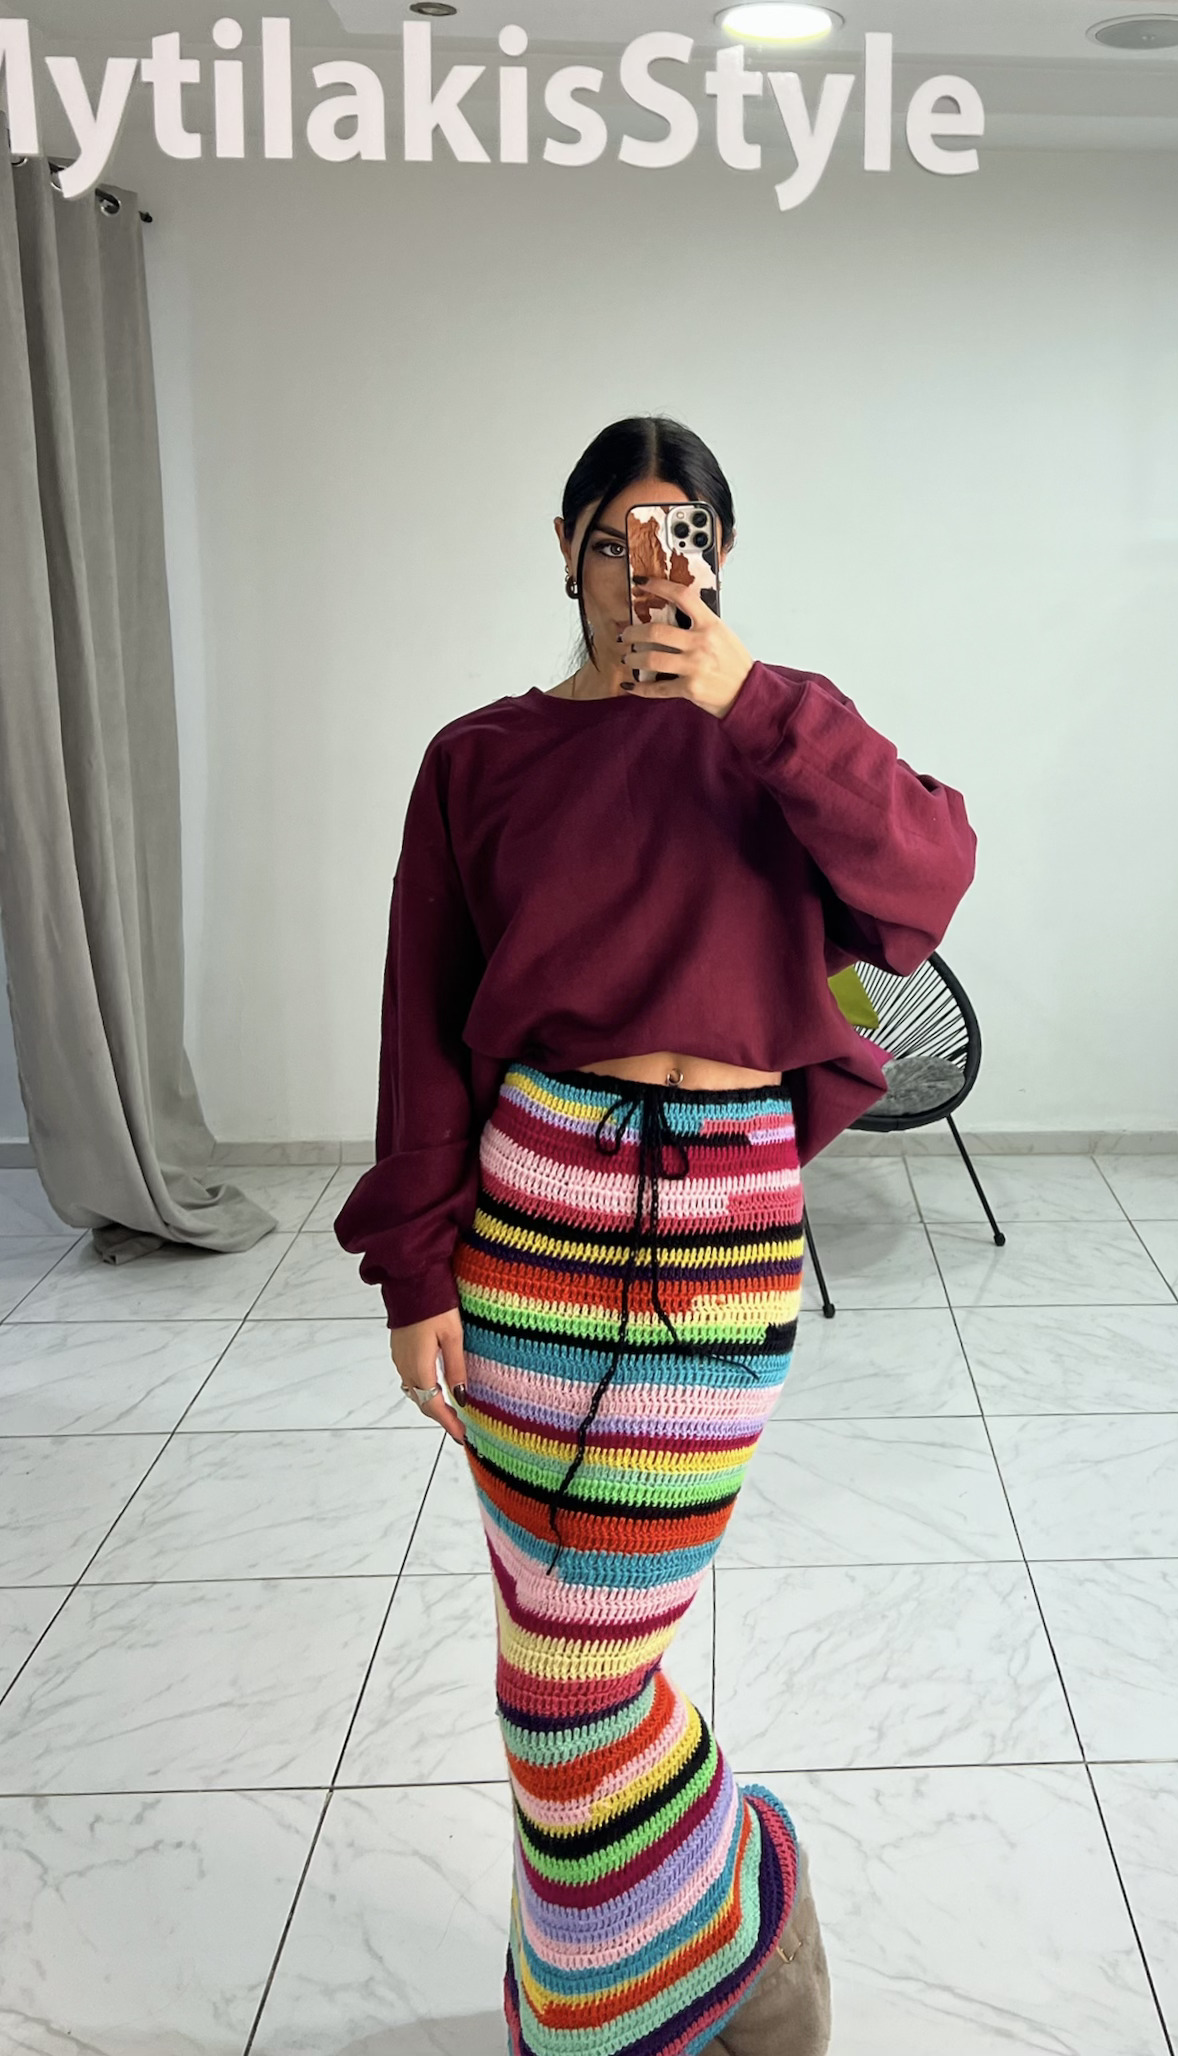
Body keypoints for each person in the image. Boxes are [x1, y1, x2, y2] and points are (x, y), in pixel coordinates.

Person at [334, 416, 976, 2056]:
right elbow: (421, 1024)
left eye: (678, 532)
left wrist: (752, 701)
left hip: (722, 1220)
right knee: (546, 1660)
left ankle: (672, 1954)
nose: (645, 568)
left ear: (721, 556)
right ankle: (667, 1955)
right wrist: (415, 1269)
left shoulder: (781, 728)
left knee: (579, 1673)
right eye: (614, 536)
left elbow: (924, 882)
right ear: (564, 551)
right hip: (533, 1211)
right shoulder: (479, 756)